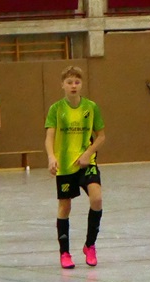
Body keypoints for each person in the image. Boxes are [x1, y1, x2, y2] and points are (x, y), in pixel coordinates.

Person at [45, 65, 105, 269]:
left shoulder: (91, 107)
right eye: (69, 82)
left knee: (97, 199)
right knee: (65, 207)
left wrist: (88, 153)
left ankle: (90, 245)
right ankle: (64, 253)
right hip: (65, 165)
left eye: (77, 82)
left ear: (81, 85)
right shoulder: (56, 109)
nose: (73, 85)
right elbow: (49, 137)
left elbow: (101, 136)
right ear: (62, 85)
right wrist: (51, 157)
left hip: (87, 163)